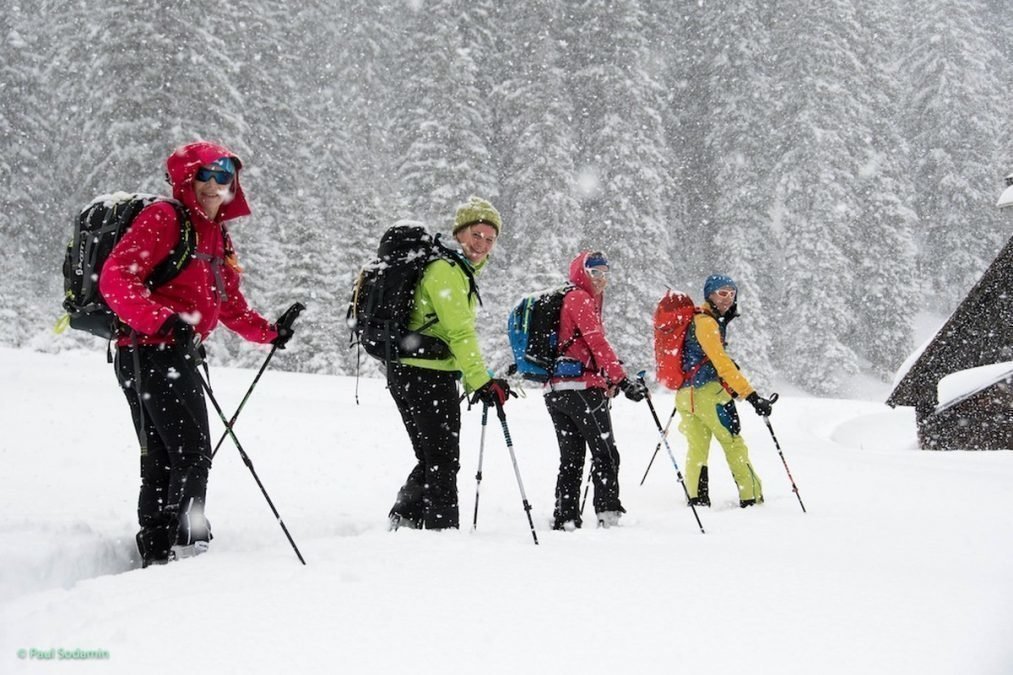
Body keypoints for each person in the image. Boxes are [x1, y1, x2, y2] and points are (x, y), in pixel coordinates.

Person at [99, 141, 294, 566]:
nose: (213, 184)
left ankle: (157, 546)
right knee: (190, 454)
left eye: (223, 176)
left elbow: (228, 303)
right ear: (184, 179)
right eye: (203, 174)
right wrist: (163, 321)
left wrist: (271, 332)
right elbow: (115, 280)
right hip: (151, 353)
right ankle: (188, 545)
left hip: (167, 355)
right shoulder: (165, 219)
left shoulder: (215, 234)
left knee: (166, 455)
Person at [387, 196, 512, 531]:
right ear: (459, 234)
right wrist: (481, 382)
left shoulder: (449, 269)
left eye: (490, 238)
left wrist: (476, 381)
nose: (482, 244)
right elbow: (460, 332)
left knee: (432, 457)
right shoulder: (447, 271)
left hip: (411, 371)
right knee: (443, 459)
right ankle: (442, 532)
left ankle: (406, 519)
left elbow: (452, 335)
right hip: (427, 375)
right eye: (476, 234)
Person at [545, 251, 647, 531]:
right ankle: (608, 514)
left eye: (605, 272)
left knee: (572, 458)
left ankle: (565, 517)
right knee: (605, 453)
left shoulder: (571, 298)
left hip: (557, 390)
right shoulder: (579, 297)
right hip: (580, 389)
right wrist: (621, 379)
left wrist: (608, 376)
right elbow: (596, 342)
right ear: (581, 272)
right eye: (595, 272)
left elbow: (586, 346)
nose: (601, 278)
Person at [676, 274, 774, 508]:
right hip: (710, 396)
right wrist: (751, 396)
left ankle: (696, 498)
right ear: (709, 294)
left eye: (732, 293)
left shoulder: (698, 319)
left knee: (697, 447)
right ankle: (751, 497)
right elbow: (722, 363)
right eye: (722, 293)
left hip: (685, 395)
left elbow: (705, 357)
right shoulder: (707, 322)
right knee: (733, 443)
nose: (728, 298)